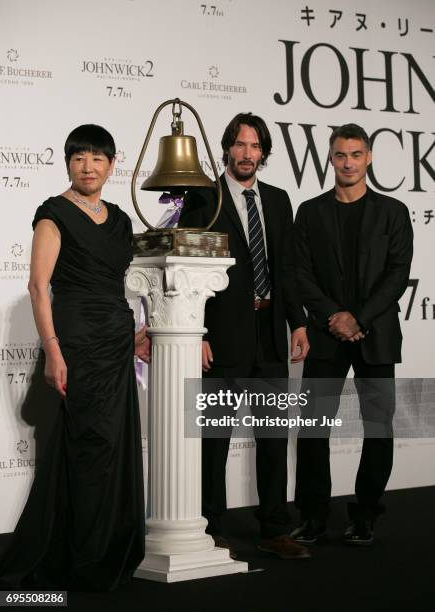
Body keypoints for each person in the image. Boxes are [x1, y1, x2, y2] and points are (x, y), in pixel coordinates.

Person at [0, 124, 149, 590]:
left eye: (98, 158)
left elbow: (131, 281)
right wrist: (52, 351)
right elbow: (38, 288)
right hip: (76, 341)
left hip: (117, 341)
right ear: (68, 163)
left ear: (111, 164)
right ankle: (81, 558)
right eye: (79, 157)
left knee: (114, 446)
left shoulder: (122, 220)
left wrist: (141, 332)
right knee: (90, 449)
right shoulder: (53, 215)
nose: (89, 166)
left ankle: (106, 550)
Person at [179, 112, 310, 560]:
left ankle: (275, 528)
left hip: (271, 333)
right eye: (239, 144)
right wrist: (197, 331)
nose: (247, 154)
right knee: (213, 441)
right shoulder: (204, 198)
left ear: (264, 153)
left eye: (255, 146)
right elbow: (189, 269)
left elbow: (287, 268)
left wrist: (300, 323)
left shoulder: (278, 200)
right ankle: (209, 527)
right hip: (221, 337)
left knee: (273, 440)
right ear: (227, 149)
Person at [291, 123, 413, 545]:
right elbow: (300, 273)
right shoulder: (310, 211)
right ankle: (312, 516)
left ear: (369, 158)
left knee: (378, 426)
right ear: (330, 157)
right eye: (341, 155)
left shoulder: (393, 212)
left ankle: (365, 515)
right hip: (326, 334)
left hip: (376, 334)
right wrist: (333, 316)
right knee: (312, 428)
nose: (348, 162)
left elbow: (398, 274)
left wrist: (358, 318)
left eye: (356, 154)